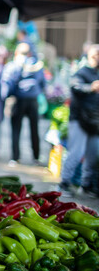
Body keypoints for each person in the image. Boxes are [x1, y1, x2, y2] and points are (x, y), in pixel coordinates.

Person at [58, 44, 99, 198]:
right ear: (89, 56)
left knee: (93, 155)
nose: (97, 58)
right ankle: (64, 183)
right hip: (79, 120)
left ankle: (87, 185)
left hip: (95, 122)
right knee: (76, 153)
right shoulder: (81, 72)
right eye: (95, 55)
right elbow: (75, 87)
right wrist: (91, 88)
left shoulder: (97, 73)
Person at [1, 42, 46, 166]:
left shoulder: (13, 65)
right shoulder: (37, 65)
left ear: (17, 52)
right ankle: (36, 157)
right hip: (33, 100)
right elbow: (43, 83)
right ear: (30, 53)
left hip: (18, 100)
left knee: (16, 129)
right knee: (34, 129)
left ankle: (15, 158)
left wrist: (6, 98)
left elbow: (7, 83)